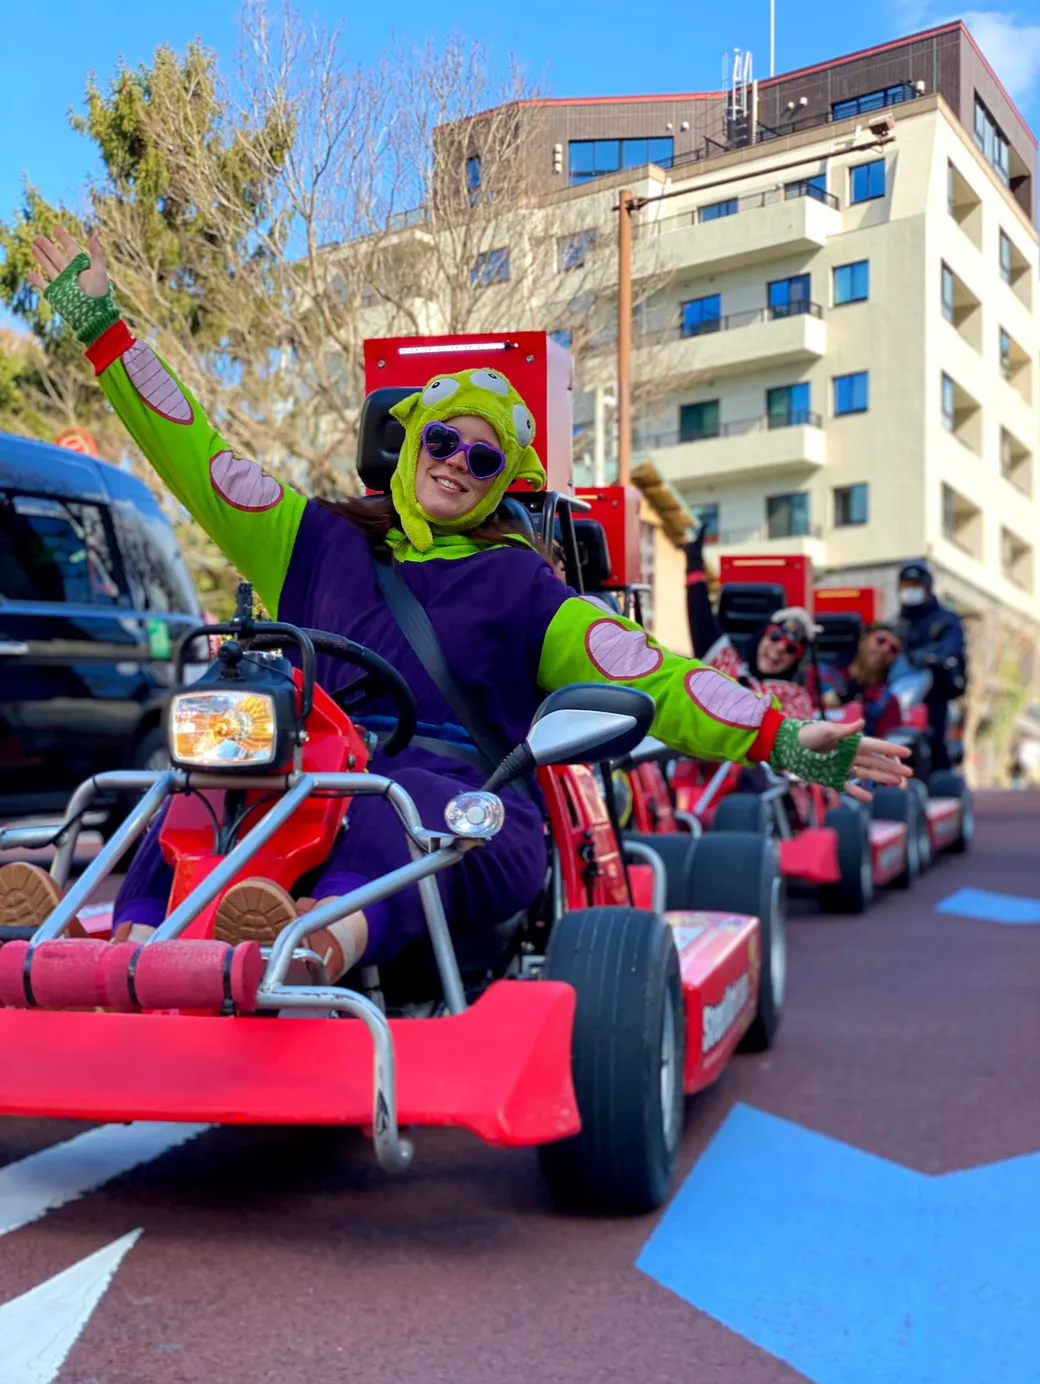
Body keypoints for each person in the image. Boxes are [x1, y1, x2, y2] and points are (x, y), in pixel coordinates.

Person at [0, 229, 909, 978]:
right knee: (199, 789)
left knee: (383, 807)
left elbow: (654, 675)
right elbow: (194, 452)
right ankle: (119, 953)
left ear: (500, 481)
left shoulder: (525, 587)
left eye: (482, 457)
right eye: (441, 439)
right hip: (305, 778)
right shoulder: (311, 536)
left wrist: (787, 739)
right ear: (409, 443)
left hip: (467, 808)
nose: (454, 463)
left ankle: (308, 946)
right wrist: (100, 324)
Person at [683, 522, 818, 721]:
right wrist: (694, 565)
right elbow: (702, 625)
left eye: (791, 649)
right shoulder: (731, 667)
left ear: (797, 660)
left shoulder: (797, 698)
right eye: (775, 636)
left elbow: (780, 733)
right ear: (762, 635)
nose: (779, 648)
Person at [893, 559, 966, 773]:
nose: (910, 590)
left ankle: (939, 774)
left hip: (936, 687)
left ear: (927, 587)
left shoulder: (946, 620)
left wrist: (927, 655)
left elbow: (951, 646)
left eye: (915, 585)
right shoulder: (897, 622)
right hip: (901, 685)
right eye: (906, 585)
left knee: (936, 735)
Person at [820, 622, 903, 738]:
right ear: (863, 641)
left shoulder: (888, 702)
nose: (885, 649)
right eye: (880, 641)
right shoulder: (820, 674)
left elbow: (887, 744)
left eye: (893, 649)